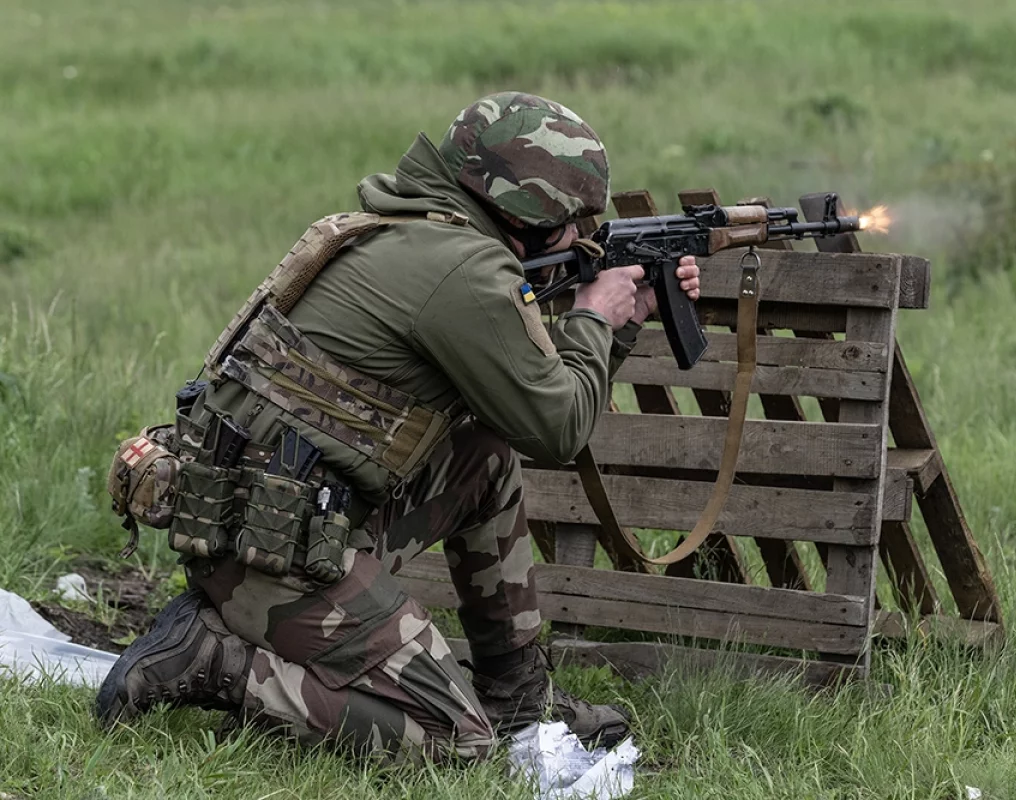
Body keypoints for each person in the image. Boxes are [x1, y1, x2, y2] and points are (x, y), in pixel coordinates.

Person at [95, 92, 701, 765]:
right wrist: (594, 319)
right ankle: (216, 663)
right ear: (522, 212)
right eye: (570, 224)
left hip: (270, 527)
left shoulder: (409, 229)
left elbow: (523, 397)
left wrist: (619, 316)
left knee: (483, 456)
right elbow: (558, 429)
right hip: (276, 559)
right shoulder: (465, 273)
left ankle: (517, 703)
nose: (580, 240)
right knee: (458, 741)